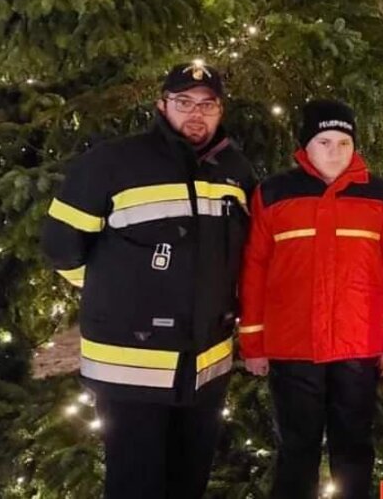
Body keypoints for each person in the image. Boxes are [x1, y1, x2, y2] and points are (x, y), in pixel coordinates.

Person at [40, 62, 255, 498]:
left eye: (207, 104)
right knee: (135, 484)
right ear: (162, 105)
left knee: (188, 482)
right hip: (130, 367)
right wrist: (115, 291)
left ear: (220, 110)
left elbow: (244, 256)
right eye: (183, 102)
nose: (196, 113)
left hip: (206, 367)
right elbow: (60, 247)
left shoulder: (234, 171)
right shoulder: (112, 162)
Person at [238, 100, 383, 499]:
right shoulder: (273, 193)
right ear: (306, 145)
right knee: (296, 451)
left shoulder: (381, 196)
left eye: (343, 142)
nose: (334, 151)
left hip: (358, 347)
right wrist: (253, 342)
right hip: (292, 347)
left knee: (353, 449)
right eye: (324, 141)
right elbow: (254, 270)